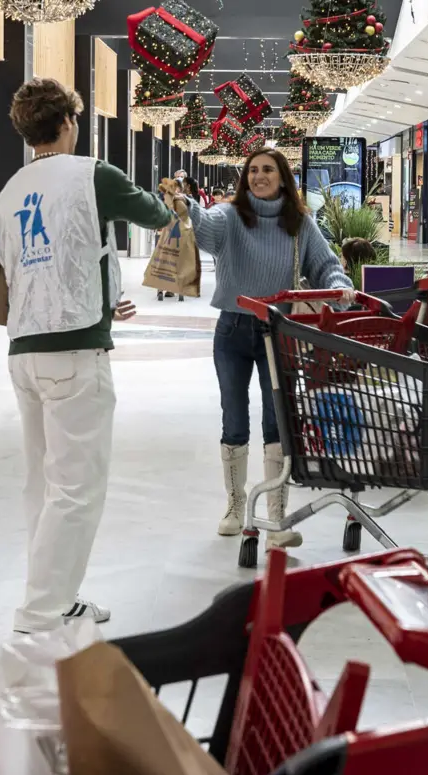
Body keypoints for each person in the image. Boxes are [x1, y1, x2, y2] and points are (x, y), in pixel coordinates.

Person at [0, 78, 172, 634]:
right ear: (69, 122)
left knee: (42, 483)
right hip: (73, 350)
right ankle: (42, 612)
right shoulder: (93, 173)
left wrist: (97, 290)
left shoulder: (9, 192)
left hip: (24, 350)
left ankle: (56, 596)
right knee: (77, 487)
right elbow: (157, 216)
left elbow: (21, 266)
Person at [167, 148, 354, 547]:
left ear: (283, 177)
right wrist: (185, 205)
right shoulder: (231, 216)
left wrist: (340, 285)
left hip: (279, 332)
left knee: (277, 424)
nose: (259, 176)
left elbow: (324, 264)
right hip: (233, 330)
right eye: (253, 170)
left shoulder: (299, 223)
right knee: (234, 420)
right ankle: (236, 507)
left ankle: (275, 518)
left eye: (267, 169)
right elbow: (205, 224)